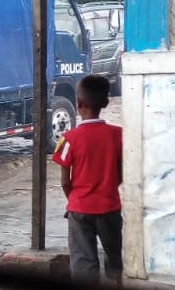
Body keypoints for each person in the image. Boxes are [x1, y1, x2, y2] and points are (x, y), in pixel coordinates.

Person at [52, 74, 123, 285]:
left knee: (83, 262)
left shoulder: (68, 139)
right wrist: (110, 186)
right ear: (106, 103)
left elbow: (65, 180)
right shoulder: (118, 135)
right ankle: (116, 281)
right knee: (114, 253)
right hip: (110, 207)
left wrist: (74, 198)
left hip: (79, 209)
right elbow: (122, 172)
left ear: (78, 103)